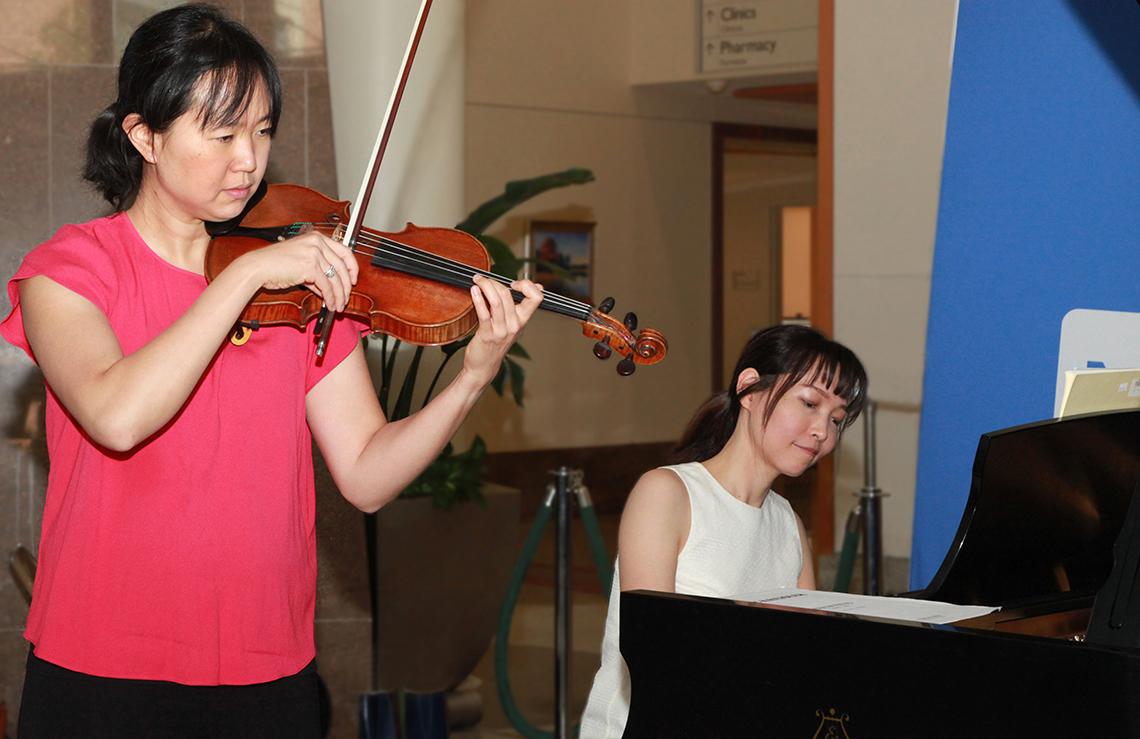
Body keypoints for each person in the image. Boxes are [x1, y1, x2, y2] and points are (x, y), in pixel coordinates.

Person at [0, 5, 543, 737]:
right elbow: (117, 415)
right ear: (144, 135)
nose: (248, 160)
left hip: (265, 669)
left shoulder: (301, 288)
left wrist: (471, 376)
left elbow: (368, 475)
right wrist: (241, 277)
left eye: (260, 132)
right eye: (220, 134)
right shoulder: (69, 272)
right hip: (103, 671)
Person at [578, 324, 868, 737]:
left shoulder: (788, 525)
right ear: (749, 389)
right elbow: (652, 654)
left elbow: (806, 661)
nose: (823, 430)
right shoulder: (667, 493)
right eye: (809, 403)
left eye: (837, 419)